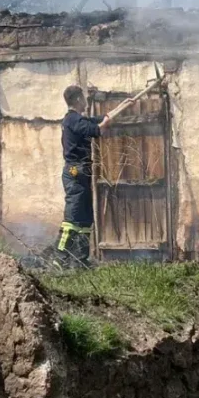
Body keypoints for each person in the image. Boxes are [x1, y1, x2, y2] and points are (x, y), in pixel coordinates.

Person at [55, 85, 130, 267]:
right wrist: (104, 123)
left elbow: (97, 121)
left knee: (85, 217)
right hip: (75, 170)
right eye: (84, 97)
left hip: (82, 171)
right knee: (73, 216)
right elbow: (95, 130)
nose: (86, 101)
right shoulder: (72, 119)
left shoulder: (77, 119)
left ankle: (79, 259)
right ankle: (60, 257)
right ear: (78, 99)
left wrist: (120, 108)